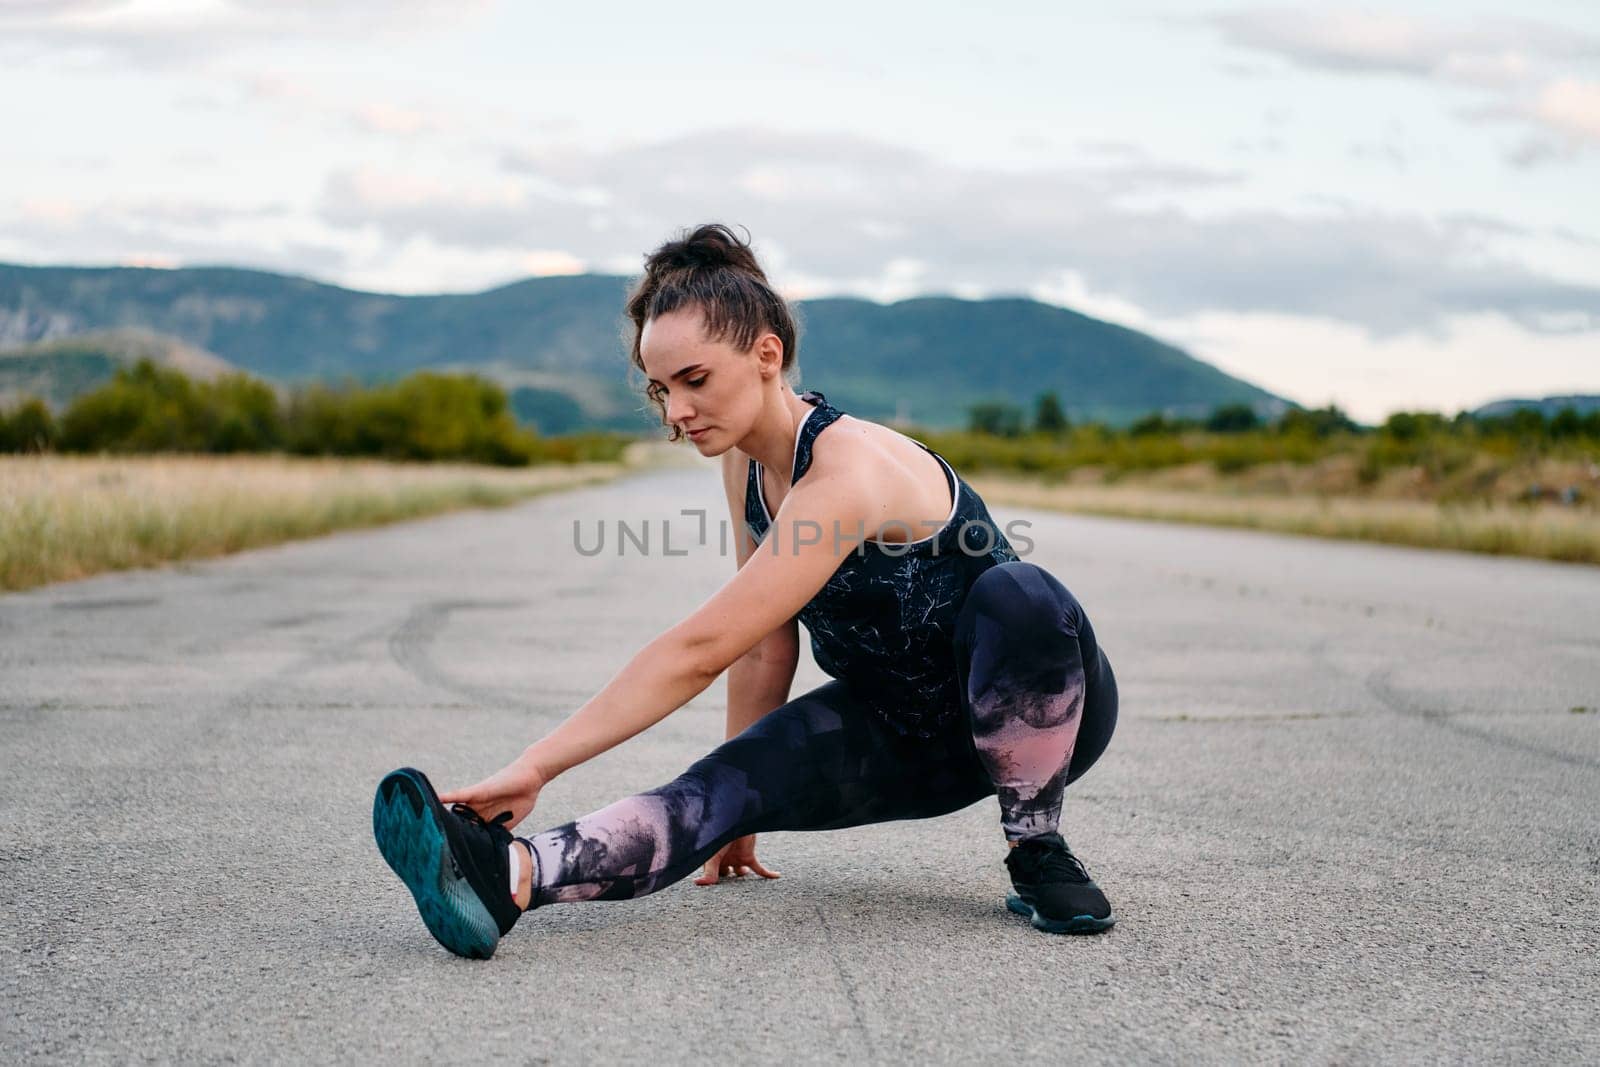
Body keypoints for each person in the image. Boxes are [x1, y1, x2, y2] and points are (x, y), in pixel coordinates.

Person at [372, 223, 1119, 960]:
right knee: (716, 784)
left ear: (767, 354)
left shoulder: (849, 469)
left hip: (1045, 717)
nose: (676, 412)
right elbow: (763, 643)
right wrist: (738, 802)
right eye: (661, 389)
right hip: (903, 732)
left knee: (1018, 591)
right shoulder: (748, 468)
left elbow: (699, 648)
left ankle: (1037, 847)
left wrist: (538, 762)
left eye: (694, 380)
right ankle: (509, 874)